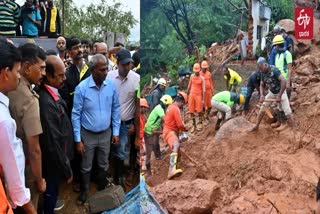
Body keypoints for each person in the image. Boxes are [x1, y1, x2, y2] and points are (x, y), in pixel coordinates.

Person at [72, 54, 120, 204]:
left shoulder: (111, 85)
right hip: (88, 134)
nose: (106, 72)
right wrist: (78, 140)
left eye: (106, 69)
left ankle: (102, 187)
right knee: (86, 165)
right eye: (102, 70)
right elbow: (75, 115)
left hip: (106, 133)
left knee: (103, 163)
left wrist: (116, 132)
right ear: (93, 70)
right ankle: (85, 190)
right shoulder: (82, 88)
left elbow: (116, 108)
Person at [7, 43, 46, 211]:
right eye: (42, 68)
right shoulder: (29, 100)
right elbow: (34, 149)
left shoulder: (7, 88)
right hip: (24, 168)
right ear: (27, 67)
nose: (44, 73)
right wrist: (38, 180)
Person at [0, 40, 36, 213]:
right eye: (16, 70)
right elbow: (15, 182)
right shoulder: (3, 121)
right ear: (6, 73)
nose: (19, 76)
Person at [36, 55, 74, 213]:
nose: (64, 79)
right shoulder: (47, 104)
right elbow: (53, 141)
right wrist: (66, 168)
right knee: (51, 186)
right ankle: (48, 209)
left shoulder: (52, 93)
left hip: (58, 157)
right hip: (54, 161)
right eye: (60, 75)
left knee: (53, 186)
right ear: (49, 76)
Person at [107, 48, 140, 188]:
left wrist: (134, 125)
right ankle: (108, 175)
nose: (127, 67)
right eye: (124, 64)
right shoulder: (109, 77)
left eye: (129, 64)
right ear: (118, 63)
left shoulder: (136, 79)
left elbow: (137, 105)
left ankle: (118, 176)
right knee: (108, 149)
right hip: (108, 122)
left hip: (125, 123)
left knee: (121, 150)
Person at [249, 57, 294, 132]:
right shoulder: (262, 72)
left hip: (281, 92)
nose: (260, 70)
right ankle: (256, 126)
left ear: (265, 64)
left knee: (287, 111)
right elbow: (261, 84)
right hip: (272, 92)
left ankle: (294, 130)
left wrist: (279, 95)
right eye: (259, 69)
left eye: (261, 68)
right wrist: (262, 95)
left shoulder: (274, 70)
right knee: (263, 107)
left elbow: (283, 81)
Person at [59, 36, 91, 117]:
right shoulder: (66, 74)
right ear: (69, 53)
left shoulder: (91, 69)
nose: (80, 50)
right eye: (76, 48)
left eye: (80, 47)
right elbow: (66, 101)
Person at [144, 95, 173, 178]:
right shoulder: (159, 109)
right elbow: (166, 120)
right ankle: (148, 171)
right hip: (149, 132)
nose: (168, 107)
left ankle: (158, 156)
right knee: (149, 152)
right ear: (165, 104)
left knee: (156, 144)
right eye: (168, 105)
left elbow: (163, 122)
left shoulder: (160, 108)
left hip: (154, 129)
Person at [163, 92, 188, 179]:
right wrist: (185, 130)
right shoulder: (175, 109)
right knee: (176, 145)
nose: (182, 106)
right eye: (183, 104)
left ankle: (177, 167)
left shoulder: (170, 107)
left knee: (178, 151)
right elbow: (180, 124)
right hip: (170, 131)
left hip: (169, 131)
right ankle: (171, 170)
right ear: (181, 102)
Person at [273, 35, 293, 99]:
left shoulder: (287, 54)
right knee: (280, 98)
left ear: (279, 45)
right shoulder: (277, 55)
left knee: (286, 99)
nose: (274, 47)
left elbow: (290, 69)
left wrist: (288, 82)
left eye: (275, 45)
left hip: (285, 79)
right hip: (278, 80)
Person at [187, 63, 205, 133]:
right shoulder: (191, 76)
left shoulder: (202, 78)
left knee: (199, 110)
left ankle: (200, 123)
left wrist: (203, 99)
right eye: (195, 71)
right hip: (192, 95)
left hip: (198, 96)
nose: (196, 73)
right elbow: (189, 86)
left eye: (197, 72)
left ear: (199, 70)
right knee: (191, 111)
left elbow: (203, 90)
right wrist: (187, 95)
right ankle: (194, 125)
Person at [200, 60, 214, 126]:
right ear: (201, 67)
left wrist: (212, 90)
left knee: (210, 105)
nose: (205, 69)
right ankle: (203, 117)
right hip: (203, 92)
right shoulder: (199, 74)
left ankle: (207, 115)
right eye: (204, 68)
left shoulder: (209, 73)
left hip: (209, 92)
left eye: (206, 68)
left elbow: (211, 82)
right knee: (203, 106)